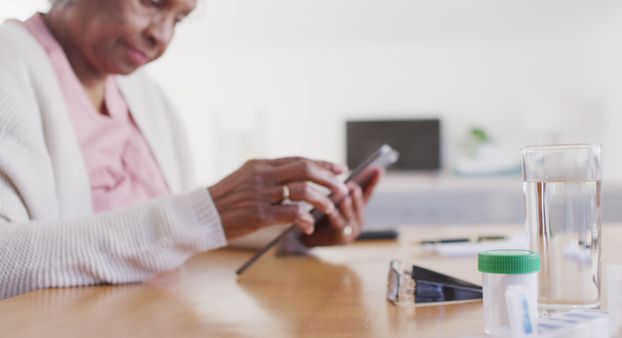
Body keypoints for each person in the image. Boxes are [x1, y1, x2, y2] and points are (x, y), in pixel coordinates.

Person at [0, 0, 382, 299]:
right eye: (152, 2)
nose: (162, 37)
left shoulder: (144, 95)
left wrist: (292, 228)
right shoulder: (10, 63)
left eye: (180, 19)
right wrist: (207, 212)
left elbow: (162, 236)